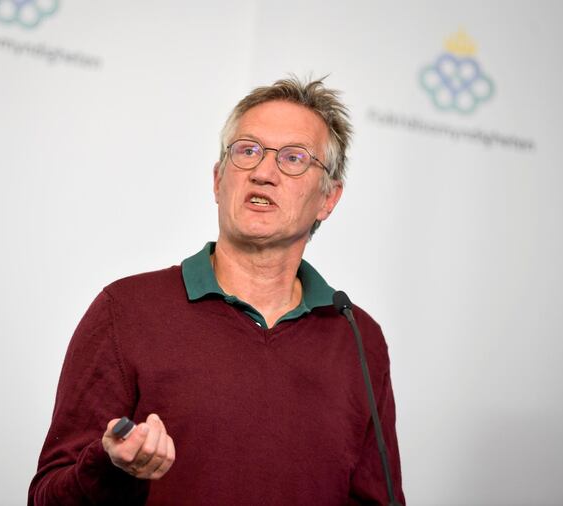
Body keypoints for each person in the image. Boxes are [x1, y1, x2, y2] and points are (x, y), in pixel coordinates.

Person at [28, 77, 405, 505]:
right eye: (247, 151)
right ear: (217, 179)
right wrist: (108, 465)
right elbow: (46, 498)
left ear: (328, 199)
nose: (264, 173)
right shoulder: (126, 310)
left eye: (293, 158)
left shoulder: (358, 337)